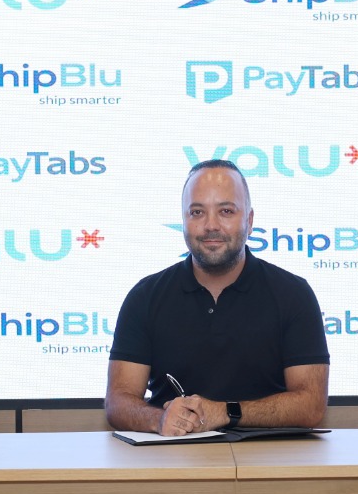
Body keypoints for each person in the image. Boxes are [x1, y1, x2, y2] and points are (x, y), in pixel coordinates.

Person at [105, 160, 330, 436]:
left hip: (270, 458)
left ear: (249, 221)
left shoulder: (294, 294)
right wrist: (159, 420)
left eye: (226, 211)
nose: (211, 225)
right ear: (184, 221)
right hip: (172, 454)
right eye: (197, 212)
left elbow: (311, 405)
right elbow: (118, 402)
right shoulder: (145, 297)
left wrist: (224, 412)